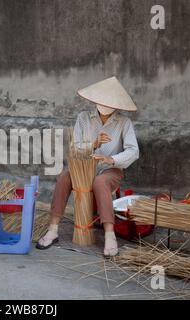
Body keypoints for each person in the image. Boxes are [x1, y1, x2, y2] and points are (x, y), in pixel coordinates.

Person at [36, 77, 140, 257]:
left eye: (110, 102)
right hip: (83, 168)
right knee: (64, 177)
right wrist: (94, 144)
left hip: (110, 170)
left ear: (116, 104)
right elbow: (75, 147)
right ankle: (53, 229)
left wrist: (110, 159)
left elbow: (133, 151)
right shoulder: (84, 118)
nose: (105, 104)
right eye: (102, 100)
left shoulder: (124, 123)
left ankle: (109, 234)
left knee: (100, 182)